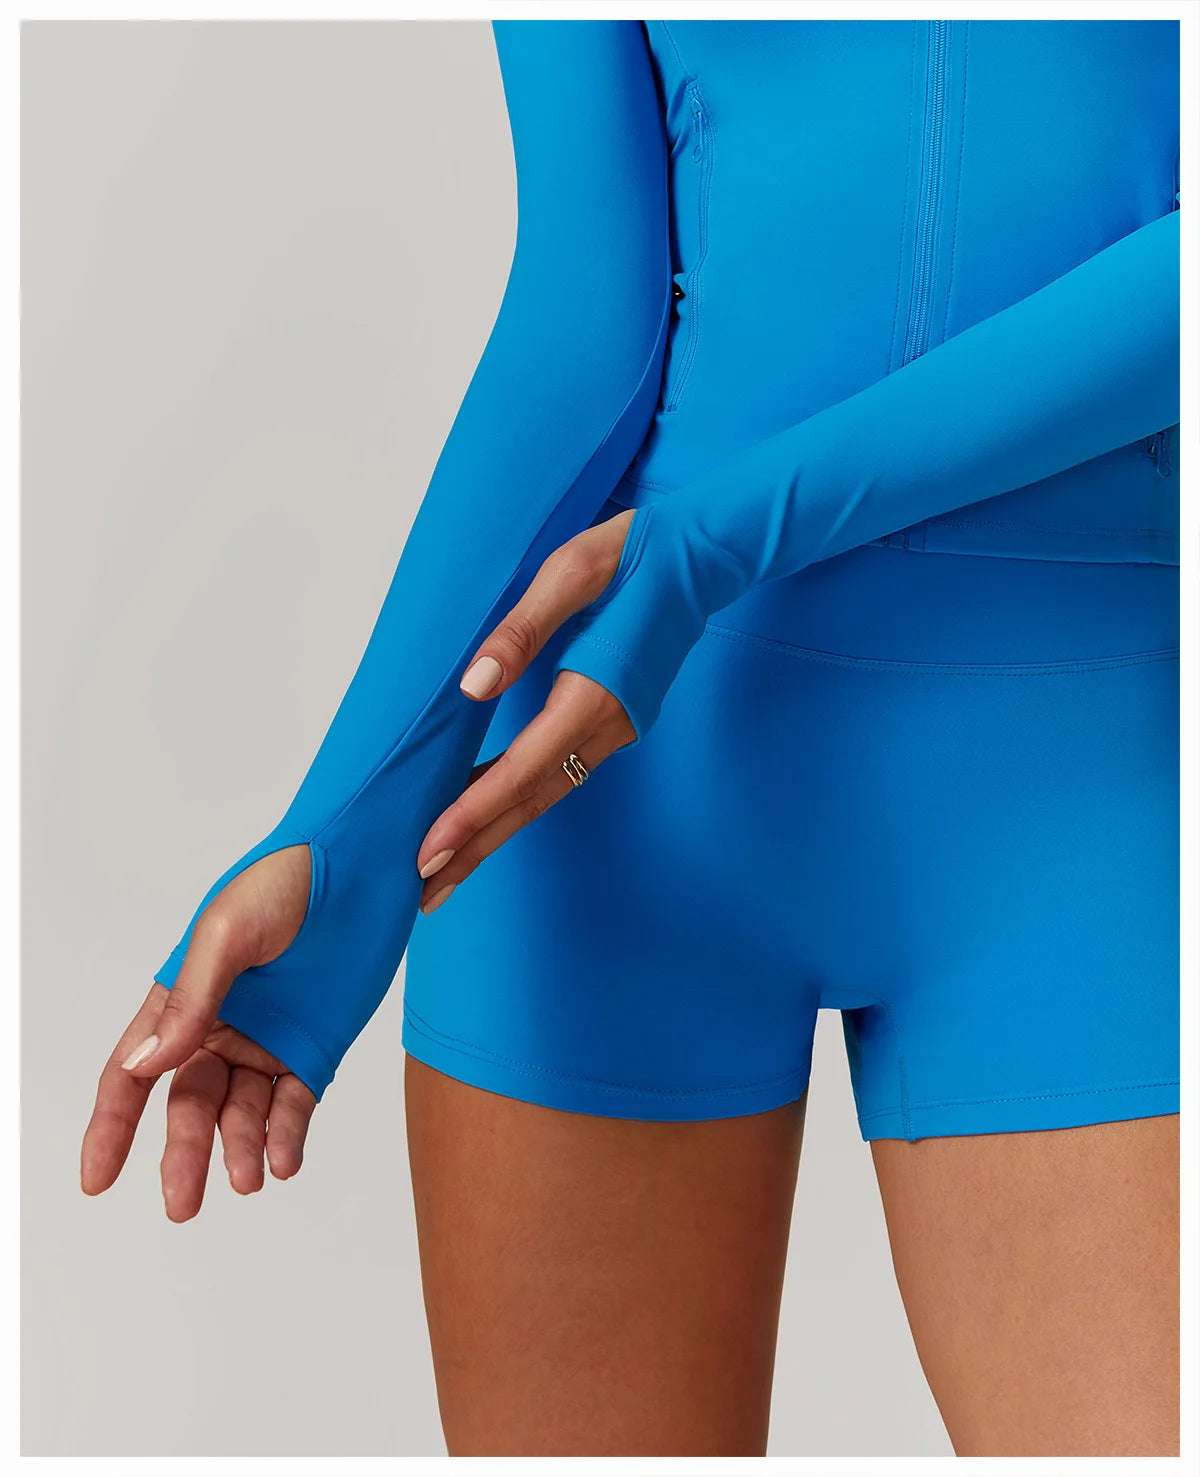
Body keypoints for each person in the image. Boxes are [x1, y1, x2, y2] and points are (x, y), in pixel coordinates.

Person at [80, 19, 1180, 1457]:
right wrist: (349, 835)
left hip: (1073, 794)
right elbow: (582, 315)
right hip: (608, 791)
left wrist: (718, 542)